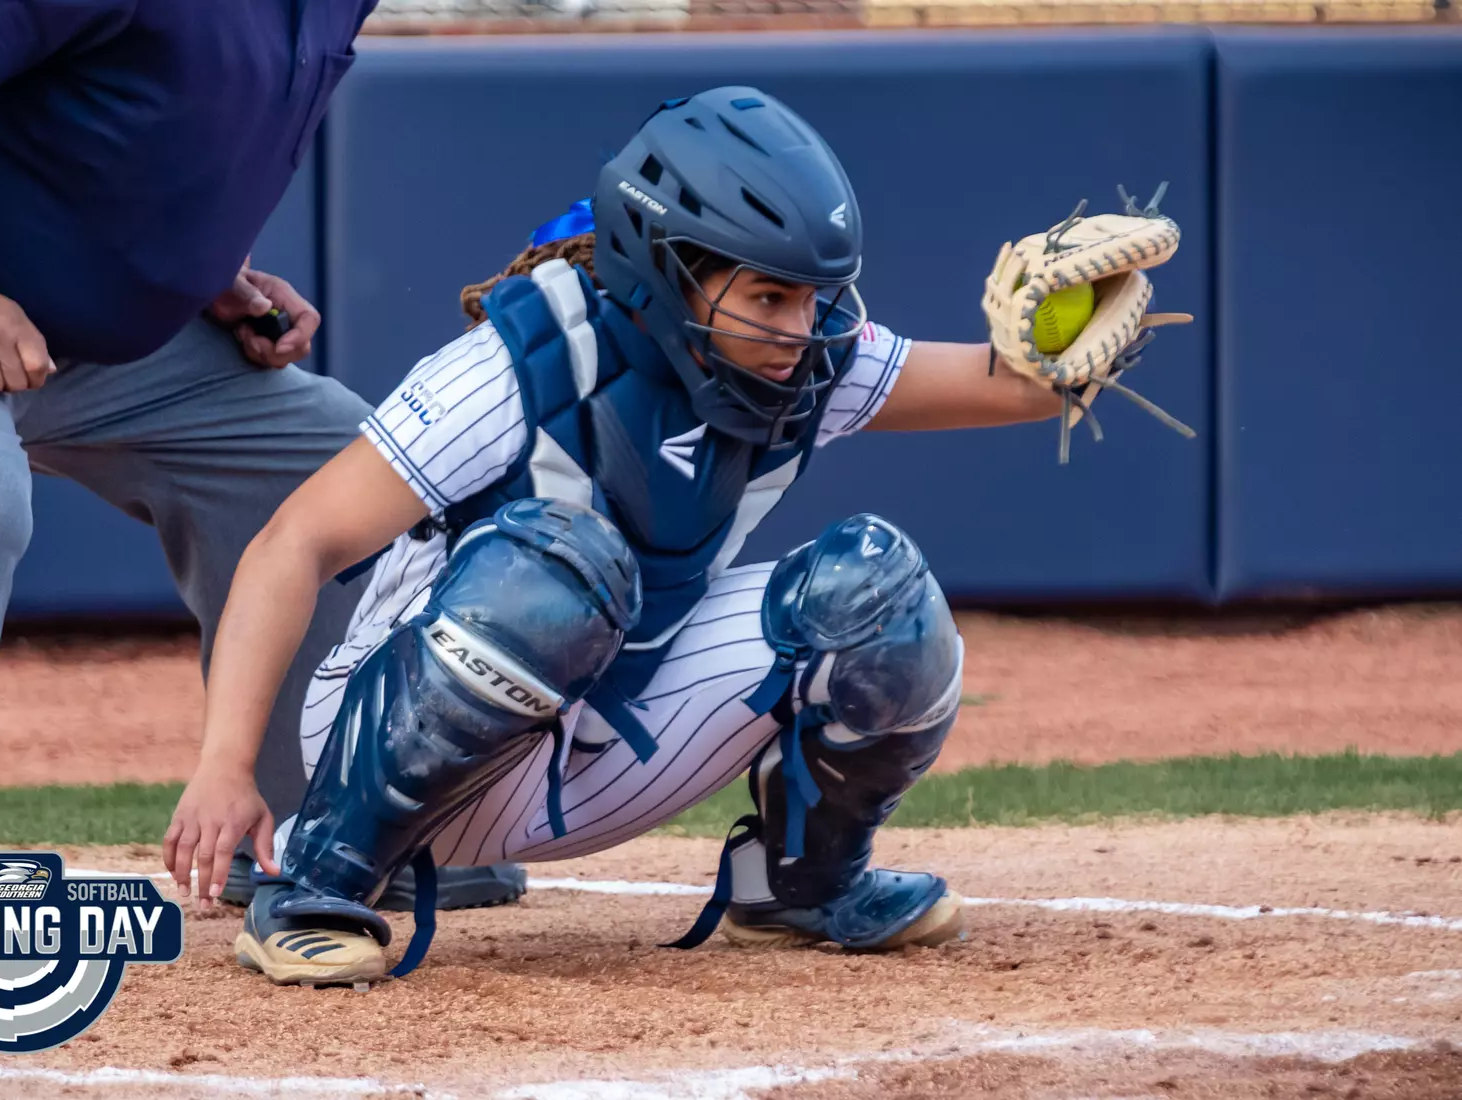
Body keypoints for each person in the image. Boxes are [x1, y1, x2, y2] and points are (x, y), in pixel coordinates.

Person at [163, 85, 1179, 988]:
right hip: (414, 744)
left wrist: (1062, 357)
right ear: (668, 270)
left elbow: (987, 383)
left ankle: (800, 884)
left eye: (817, 295)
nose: (805, 325)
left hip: (613, 737)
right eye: (772, 295)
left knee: (881, 589)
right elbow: (289, 542)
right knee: (567, 560)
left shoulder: (799, 357)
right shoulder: (525, 358)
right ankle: (320, 880)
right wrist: (223, 761)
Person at [0, 0, 522, 981]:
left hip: (60, 324)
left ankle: (316, 831)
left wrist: (205, 273)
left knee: (345, 468)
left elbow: (154, 116)